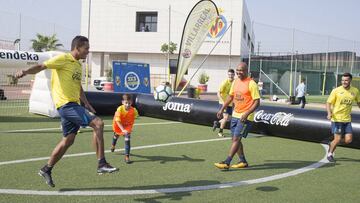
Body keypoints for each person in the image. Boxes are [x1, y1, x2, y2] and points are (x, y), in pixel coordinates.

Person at [15, 36, 118, 187]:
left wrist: (87, 104)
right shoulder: (62, 59)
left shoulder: (78, 65)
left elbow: (78, 87)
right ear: (77, 47)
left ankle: (47, 169)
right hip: (66, 105)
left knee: (68, 140)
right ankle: (101, 163)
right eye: (86, 48)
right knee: (98, 124)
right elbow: (41, 66)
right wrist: (25, 71)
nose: (88, 51)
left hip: (74, 104)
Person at [214, 62, 260, 169]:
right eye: (237, 70)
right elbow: (230, 97)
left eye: (241, 70)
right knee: (235, 139)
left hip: (246, 117)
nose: (239, 72)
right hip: (235, 114)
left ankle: (227, 162)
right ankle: (243, 161)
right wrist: (222, 109)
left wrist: (247, 113)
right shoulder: (235, 82)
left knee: (236, 139)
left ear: (246, 71)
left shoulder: (252, 83)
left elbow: (257, 102)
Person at [326, 73, 360, 162]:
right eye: (342, 80)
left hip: (347, 119)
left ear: (350, 81)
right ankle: (330, 154)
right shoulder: (336, 90)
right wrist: (329, 113)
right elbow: (328, 103)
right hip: (337, 119)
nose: (344, 82)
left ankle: (332, 143)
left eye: (346, 80)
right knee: (337, 139)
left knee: (348, 140)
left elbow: (358, 102)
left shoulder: (355, 91)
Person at [111, 94, 139, 164]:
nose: (127, 105)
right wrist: (122, 129)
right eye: (126, 103)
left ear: (131, 102)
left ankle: (127, 157)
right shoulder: (119, 109)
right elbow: (117, 120)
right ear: (122, 102)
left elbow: (136, 116)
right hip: (119, 125)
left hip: (127, 126)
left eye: (129, 103)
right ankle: (113, 145)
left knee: (127, 139)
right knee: (116, 135)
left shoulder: (133, 110)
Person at [212, 69, 235, 137]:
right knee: (226, 118)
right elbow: (218, 93)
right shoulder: (225, 82)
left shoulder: (235, 82)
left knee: (228, 118)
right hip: (224, 103)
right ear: (228, 75)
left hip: (230, 103)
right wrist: (222, 101)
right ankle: (220, 132)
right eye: (229, 75)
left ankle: (217, 122)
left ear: (234, 75)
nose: (230, 76)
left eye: (231, 74)